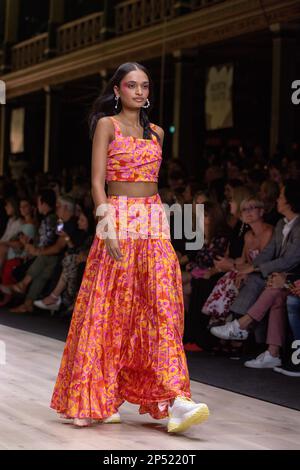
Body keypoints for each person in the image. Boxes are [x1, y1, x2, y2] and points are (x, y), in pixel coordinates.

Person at [50, 62, 209, 433]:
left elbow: (153, 183)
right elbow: (95, 181)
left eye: (144, 85)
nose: (139, 91)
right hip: (118, 217)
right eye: (131, 85)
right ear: (118, 90)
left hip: (153, 218)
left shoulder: (156, 133)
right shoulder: (107, 125)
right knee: (109, 306)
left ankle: (176, 399)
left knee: (161, 305)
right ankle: (96, 397)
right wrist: (106, 225)